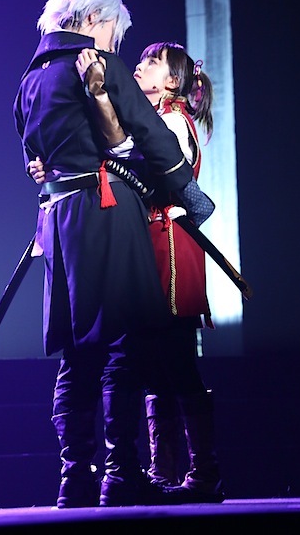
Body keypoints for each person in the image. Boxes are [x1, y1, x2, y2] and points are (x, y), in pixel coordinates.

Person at [14, 0, 215, 509]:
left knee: (77, 350)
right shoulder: (99, 66)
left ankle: (75, 477)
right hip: (105, 215)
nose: (113, 43)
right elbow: (152, 136)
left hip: (57, 222)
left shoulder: (30, 80)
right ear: (93, 20)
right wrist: (192, 197)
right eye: (113, 31)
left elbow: (31, 152)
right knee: (124, 342)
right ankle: (121, 473)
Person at [69, 41, 225, 503]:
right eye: (139, 61)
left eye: (151, 63)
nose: (139, 67)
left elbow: (148, 169)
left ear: (172, 81)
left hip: (169, 247)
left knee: (175, 360)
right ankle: (166, 471)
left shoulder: (172, 121)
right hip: (151, 243)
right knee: (156, 365)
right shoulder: (155, 117)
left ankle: (202, 472)